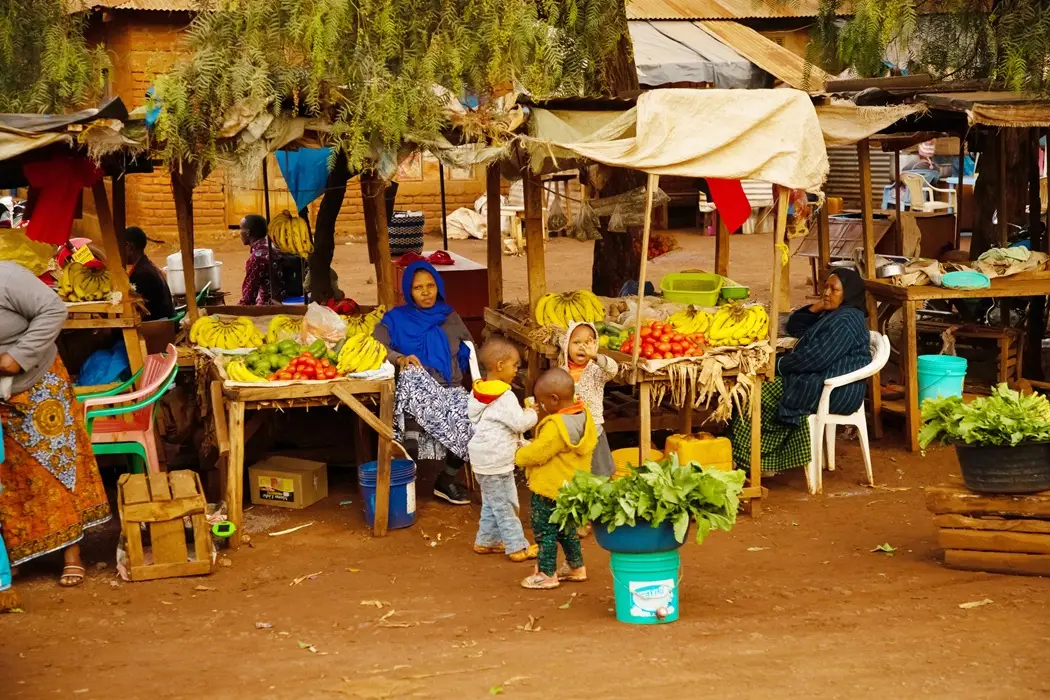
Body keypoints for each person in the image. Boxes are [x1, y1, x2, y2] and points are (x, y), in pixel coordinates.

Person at [0, 261, 112, 590]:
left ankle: (72, 555)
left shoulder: (7, 277)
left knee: (57, 467)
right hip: (1, 396)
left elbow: (53, 309)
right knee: (10, 477)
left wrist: (18, 355)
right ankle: (15, 558)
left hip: (39, 386)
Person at [729, 268, 871, 475]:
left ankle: (751, 459)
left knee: (755, 391)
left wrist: (777, 366)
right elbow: (795, 327)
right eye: (825, 287)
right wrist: (819, 306)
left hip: (837, 391)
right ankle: (749, 457)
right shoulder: (835, 314)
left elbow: (816, 358)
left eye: (834, 289)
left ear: (848, 293)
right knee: (756, 387)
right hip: (820, 379)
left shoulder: (846, 320)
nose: (826, 292)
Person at [373, 260, 473, 505]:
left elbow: (470, 346)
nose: (426, 292)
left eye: (431, 286)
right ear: (409, 290)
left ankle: (446, 480)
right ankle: (406, 472)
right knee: (411, 372)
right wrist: (400, 358)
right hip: (416, 394)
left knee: (474, 426)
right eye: (419, 288)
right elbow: (376, 345)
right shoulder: (396, 319)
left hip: (451, 389)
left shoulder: (449, 316)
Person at [514, 368, 596, 590]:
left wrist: (518, 454)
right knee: (567, 529)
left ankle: (546, 573)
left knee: (545, 532)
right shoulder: (584, 417)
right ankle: (575, 566)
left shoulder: (556, 427)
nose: (540, 407)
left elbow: (538, 453)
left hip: (550, 490)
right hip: (571, 489)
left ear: (554, 399)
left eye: (541, 403)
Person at [467, 338, 539, 563]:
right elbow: (519, 423)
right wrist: (532, 413)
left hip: (482, 459)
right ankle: (517, 546)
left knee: (492, 501)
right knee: (507, 504)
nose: (517, 370)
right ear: (500, 365)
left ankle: (486, 541)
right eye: (515, 365)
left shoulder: (479, 390)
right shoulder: (505, 396)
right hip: (496, 459)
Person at [560, 322, 617, 477]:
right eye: (576, 342)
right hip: (569, 431)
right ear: (566, 345)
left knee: (599, 473)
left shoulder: (596, 371)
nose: (582, 347)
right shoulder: (561, 372)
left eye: (588, 343)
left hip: (593, 430)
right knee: (573, 472)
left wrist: (596, 357)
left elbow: (613, 369)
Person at [124, 226, 175, 321]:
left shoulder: (143, 273)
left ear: (129, 246)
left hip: (157, 324)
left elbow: (135, 308)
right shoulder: (145, 266)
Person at [239, 214, 285, 305]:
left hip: (268, 306)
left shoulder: (257, 258)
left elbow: (249, 297)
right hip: (284, 300)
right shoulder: (273, 247)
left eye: (241, 229)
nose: (239, 232)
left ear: (248, 232)